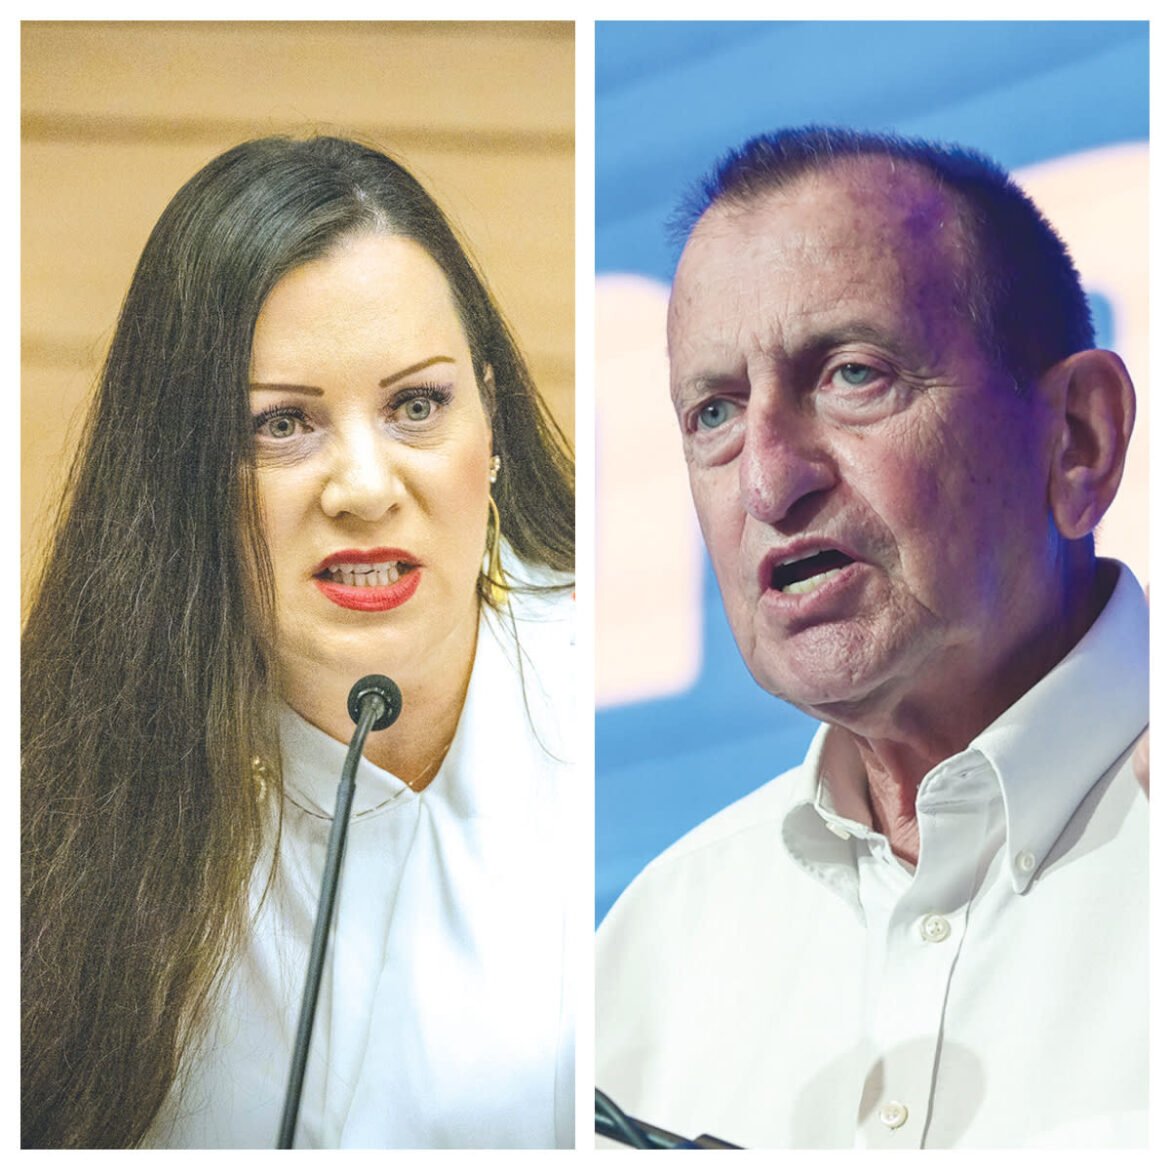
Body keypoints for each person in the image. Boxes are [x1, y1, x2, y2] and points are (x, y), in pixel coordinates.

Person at [595, 127, 1147, 1148]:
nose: (768, 481)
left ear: (1079, 439)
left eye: (853, 375)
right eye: (714, 413)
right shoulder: (655, 947)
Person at [22, 135, 575, 1149]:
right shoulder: (55, 791)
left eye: (416, 406)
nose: (364, 487)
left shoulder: (604, 705)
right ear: (180, 472)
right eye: (281, 425)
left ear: (491, 423)